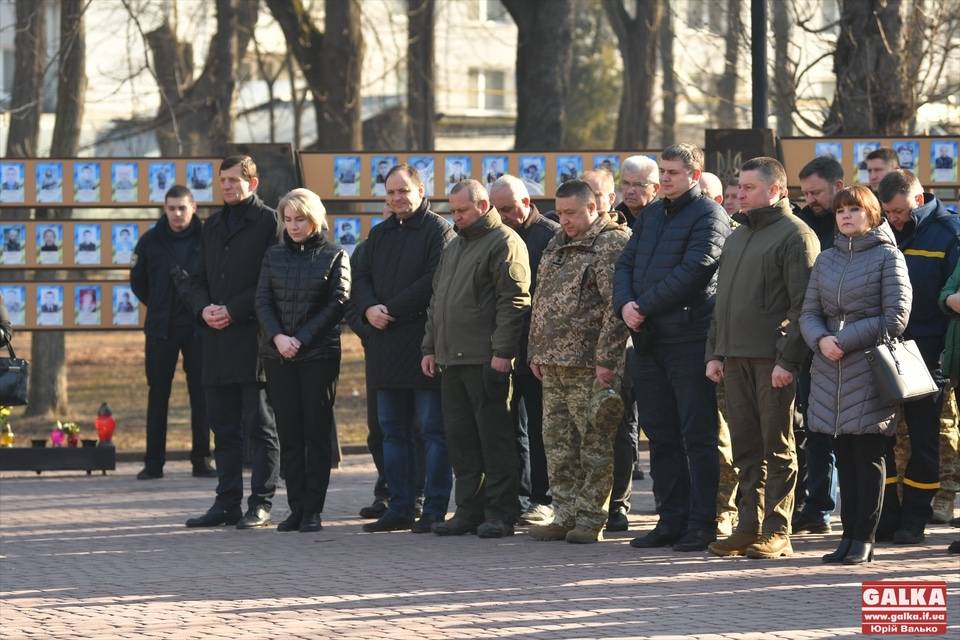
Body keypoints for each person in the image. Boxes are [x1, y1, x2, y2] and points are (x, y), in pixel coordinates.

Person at [615, 143, 731, 552]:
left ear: (694, 176)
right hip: (649, 340)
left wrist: (642, 305)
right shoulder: (651, 215)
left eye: (672, 173)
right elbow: (626, 263)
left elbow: (696, 269)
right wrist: (624, 305)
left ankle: (702, 522)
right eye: (662, 172)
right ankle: (671, 518)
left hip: (688, 338)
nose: (664, 179)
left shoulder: (709, 215)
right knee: (661, 434)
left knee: (696, 435)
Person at [706, 157, 820, 559]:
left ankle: (777, 530)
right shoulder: (738, 235)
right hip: (734, 359)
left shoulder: (796, 236)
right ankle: (748, 525)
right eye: (738, 187)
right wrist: (716, 352)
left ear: (776, 190)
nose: (740, 194)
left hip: (771, 363)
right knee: (745, 447)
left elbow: (803, 305)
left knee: (778, 447)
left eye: (749, 188)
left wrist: (787, 362)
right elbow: (723, 303)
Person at [799, 185, 911, 564]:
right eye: (841, 210)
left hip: (867, 367)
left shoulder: (887, 257)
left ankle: (864, 536)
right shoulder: (827, 259)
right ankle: (847, 534)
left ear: (872, 214)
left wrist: (843, 340)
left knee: (868, 454)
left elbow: (895, 316)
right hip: (829, 367)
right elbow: (808, 312)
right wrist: (821, 340)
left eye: (854, 209)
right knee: (842, 453)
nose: (846, 216)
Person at [421, 179, 530, 538]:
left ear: (483, 206)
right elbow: (438, 301)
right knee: (461, 440)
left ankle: (500, 512)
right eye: (452, 211)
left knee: (494, 439)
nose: (456, 217)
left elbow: (513, 301)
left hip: (486, 359)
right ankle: (469, 509)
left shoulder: (504, 242)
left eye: (462, 210)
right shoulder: (454, 245)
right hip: (452, 358)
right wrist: (430, 347)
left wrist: (502, 352)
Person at [353, 164, 455, 534]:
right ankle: (400, 504)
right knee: (391, 431)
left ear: (421, 190)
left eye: (403, 191)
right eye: (391, 192)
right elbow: (359, 276)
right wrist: (369, 309)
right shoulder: (378, 235)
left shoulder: (438, 231)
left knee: (432, 431)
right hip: (383, 348)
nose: (397, 198)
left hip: (423, 344)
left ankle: (434, 506)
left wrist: (390, 309)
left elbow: (433, 281)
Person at [527, 179, 630, 544]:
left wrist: (607, 359)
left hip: (589, 364)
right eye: (560, 212)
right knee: (557, 443)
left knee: (594, 442)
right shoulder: (556, 242)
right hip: (553, 362)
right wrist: (535, 351)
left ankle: (590, 517)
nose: (564, 220)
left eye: (571, 213)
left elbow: (614, 308)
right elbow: (540, 300)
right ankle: (565, 511)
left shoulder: (610, 243)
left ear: (593, 208)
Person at [185, 155, 281, 529]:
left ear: (252, 183)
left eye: (233, 180)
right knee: (222, 427)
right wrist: (203, 309)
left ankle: (260, 502)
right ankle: (226, 502)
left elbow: (270, 278)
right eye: (222, 180)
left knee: (259, 426)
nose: (226, 186)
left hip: (253, 339)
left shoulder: (270, 221)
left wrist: (233, 310)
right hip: (215, 341)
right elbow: (196, 279)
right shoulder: (211, 225)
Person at [255, 188, 349, 533]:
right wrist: (279, 338)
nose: (293, 226)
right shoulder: (273, 256)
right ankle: (295, 507)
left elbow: (338, 303)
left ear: (315, 218)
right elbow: (262, 301)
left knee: (316, 433)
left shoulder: (335, 254)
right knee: (289, 433)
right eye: (288, 219)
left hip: (318, 355)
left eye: (300, 219)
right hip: (278, 354)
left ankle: (313, 509)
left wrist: (301, 339)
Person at [876, 170, 960, 543]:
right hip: (886, 347)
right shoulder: (882, 231)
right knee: (884, 437)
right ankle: (887, 515)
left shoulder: (950, 232)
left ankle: (914, 518)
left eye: (899, 211)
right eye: (888, 213)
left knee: (924, 438)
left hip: (928, 350)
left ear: (919, 200)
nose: (894, 219)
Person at [490, 174, 560, 526]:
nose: (503, 216)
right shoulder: (496, 237)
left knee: (540, 425)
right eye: (496, 209)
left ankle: (543, 497)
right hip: (505, 347)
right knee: (511, 425)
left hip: (537, 350)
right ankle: (519, 492)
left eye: (508, 208)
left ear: (527, 203)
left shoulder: (549, 236)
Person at [130, 185, 213, 480]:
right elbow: (138, 282)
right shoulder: (151, 241)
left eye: (182, 208)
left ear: (194, 208)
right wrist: (159, 306)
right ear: (164, 209)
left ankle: (202, 460)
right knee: (158, 395)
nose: (176, 214)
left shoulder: (207, 238)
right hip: (161, 329)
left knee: (202, 395)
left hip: (198, 328)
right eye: (171, 208)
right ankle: (154, 463)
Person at [583, 168, 642, 532]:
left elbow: (618, 301)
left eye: (596, 194)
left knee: (619, 427)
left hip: (620, 351)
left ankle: (618, 503)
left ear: (610, 198)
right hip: (575, 354)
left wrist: (609, 352)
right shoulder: (563, 236)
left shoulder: (619, 238)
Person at [792, 156, 845, 535]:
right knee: (814, 427)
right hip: (809, 338)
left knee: (846, 432)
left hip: (848, 341)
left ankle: (838, 508)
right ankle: (815, 506)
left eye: (817, 192)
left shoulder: (855, 224)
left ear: (838, 187)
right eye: (805, 192)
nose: (810, 199)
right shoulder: (802, 224)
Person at [698, 170, 740, 538]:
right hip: (703, 346)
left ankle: (728, 510)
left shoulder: (742, 237)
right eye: (725, 196)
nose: (727, 202)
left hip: (735, 350)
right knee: (706, 435)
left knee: (728, 438)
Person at [615, 155, 660, 227]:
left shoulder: (668, 218)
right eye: (626, 183)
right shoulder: (614, 219)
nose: (630, 191)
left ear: (655, 189)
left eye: (638, 185)